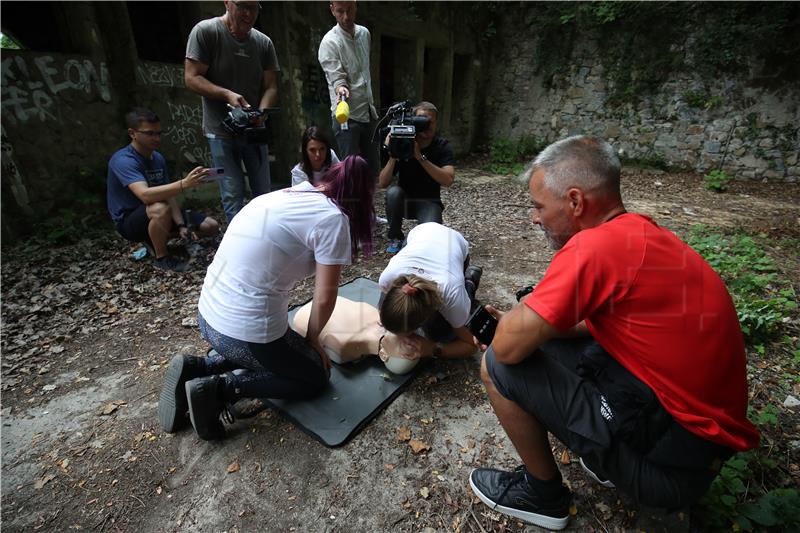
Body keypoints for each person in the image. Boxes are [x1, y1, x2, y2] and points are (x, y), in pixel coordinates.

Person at [468, 135, 760, 530]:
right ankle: (610, 452)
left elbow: (504, 349)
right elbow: (596, 323)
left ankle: (544, 497)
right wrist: (536, 324)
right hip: (697, 451)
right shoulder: (643, 234)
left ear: (575, 202)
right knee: (550, 338)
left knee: (496, 365)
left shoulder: (592, 248)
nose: (535, 218)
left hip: (667, 472)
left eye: (538, 206)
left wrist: (518, 321)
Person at [157, 156, 375, 440]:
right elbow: (324, 298)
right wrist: (313, 342)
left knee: (283, 346)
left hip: (209, 319)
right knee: (314, 375)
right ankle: (219, 389)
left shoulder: (285, 195)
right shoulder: (333, 219)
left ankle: (198, 366)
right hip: (242, 336)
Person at [185, 0, 280, 224]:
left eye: (254, 8)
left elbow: (271, 86)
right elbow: (191, 77)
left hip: (254, 129)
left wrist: (262, 112)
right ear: (227, 3)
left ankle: (266, 239)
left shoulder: (263, 42)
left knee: (264, 193)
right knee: (231, 192)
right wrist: (227, 95)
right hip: (220, 130)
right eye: (242, 6)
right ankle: (239, 246)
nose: (248, 14)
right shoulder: (206, 32)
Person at [106, 107, 219, 272]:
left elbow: (169, 195)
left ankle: (155, 238)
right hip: (130, 220)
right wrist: (183, 184)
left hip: (160, 212)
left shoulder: (157, 157)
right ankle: (162, 258)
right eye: (150, 133)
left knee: (211, 226)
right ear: (132, 133)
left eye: (159, 133)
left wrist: (181, 225)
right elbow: (144, 195)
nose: (156, 138)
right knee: (159, 208)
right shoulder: (123, 160)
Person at [378, 222, 483, 361]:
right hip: (422, 232)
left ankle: (469, 281)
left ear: (424, 318)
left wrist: (432, 349)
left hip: (454, 241)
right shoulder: (388, 278)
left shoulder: (450, 292)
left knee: (443, 335)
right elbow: (383, 311)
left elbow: (471, 345)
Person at [378, 101, 455, 254]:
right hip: (404, 200)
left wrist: (420, 157)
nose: (426, 126)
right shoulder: (403, 140)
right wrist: (393, 154)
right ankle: (395, 236)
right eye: (421, 121)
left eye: (430, 122)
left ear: (436, 123)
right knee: (393, 192)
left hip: (429, 202)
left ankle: (410, 242)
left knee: (426, 241)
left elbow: (448, 180)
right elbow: (383, 182)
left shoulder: (442, 146)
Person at [318, 1, 379, 178]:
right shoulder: (329, 42)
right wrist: (341, 87)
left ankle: (368, 205)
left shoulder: (364, 34)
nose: (346, 17)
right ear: (332, 10)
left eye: (350, 10)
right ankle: (348, 206)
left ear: (356, 5)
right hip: (347, 116)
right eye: (340, 11)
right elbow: (336, 77)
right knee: (349, 175)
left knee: (372, 171)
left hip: (368, 111)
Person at [291, 296, 420, 375]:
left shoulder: (344, 346)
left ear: (383, 355)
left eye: (402, 342)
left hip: (312, 311)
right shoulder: (378, 315)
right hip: (309, 313)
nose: (405, 338)